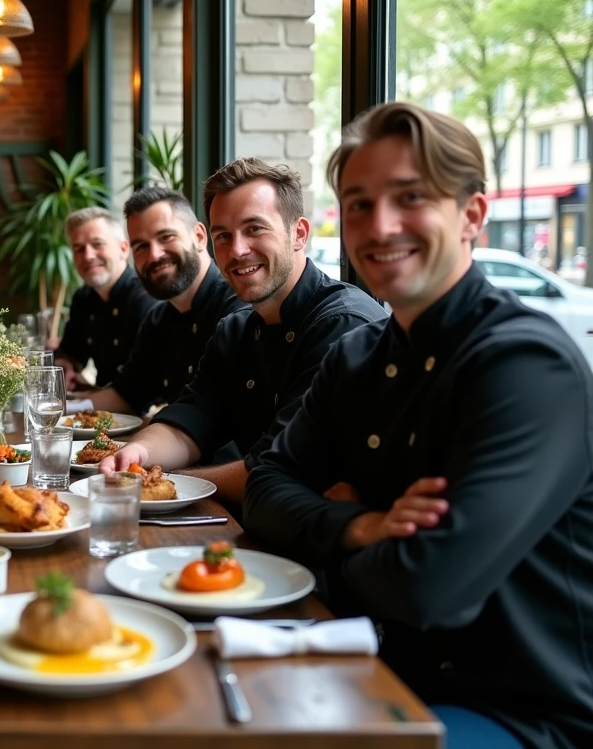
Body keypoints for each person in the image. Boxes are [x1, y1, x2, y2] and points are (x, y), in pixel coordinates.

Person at [243, 101, 593, 748]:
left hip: (516, 712)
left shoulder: (525, 365)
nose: (380, 226)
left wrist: (327, 541)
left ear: (472, 215)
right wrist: (362, 525)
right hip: (373, 661)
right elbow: (264, 488)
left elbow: (427, 587)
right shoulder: (356, 356)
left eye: (411, 197)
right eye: (359, 204)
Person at [100, 160, 386, 502]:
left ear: (299, 234)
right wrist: (139, 453)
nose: (237, 250)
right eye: (223, 236)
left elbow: (278, 470)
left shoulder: (341, 325)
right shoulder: (235, 330)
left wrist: (166, 480)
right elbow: (191, 419)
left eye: (254, 229)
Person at [68, 187, 247, 418]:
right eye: (141, 246)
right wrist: (59, 410)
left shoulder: (238, 309)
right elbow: (126, 396)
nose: (154, 255)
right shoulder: (158, 320)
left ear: (199, 237)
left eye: (166, 237)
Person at [54, 207, 156, 391]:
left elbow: (146, 384)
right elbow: (71, 352)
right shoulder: (83, 297)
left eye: (97, 244)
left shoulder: (146, 297)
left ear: (123, 249)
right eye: (79, 249)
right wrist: (64, 365)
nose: (88, 256)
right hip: (99, 400)